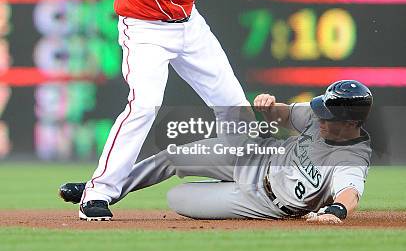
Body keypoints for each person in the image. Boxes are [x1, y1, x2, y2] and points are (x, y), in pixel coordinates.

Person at [50, 0, 250, 221]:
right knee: (144, 105)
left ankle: (249, 179)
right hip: (143, 30)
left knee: (235, 107)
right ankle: (98, 193)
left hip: (190, 26)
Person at [60, 80, 373, 225]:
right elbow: (284, 116)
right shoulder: (321, 116)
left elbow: (350, 192)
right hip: (256, 155)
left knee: (178, 198)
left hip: (259, 201)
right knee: (173, 155)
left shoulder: (350, 158)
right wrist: (269, 107)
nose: (321, 120)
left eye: (329, 118)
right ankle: (98, 193)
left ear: (351, 123)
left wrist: (336, 212)